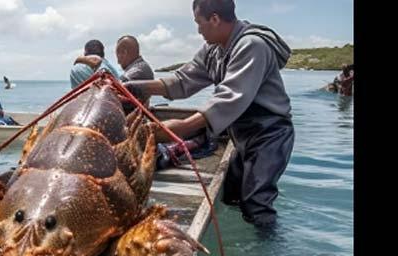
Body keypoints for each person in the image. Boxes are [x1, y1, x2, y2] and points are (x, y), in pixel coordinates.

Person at [123, 0, 294, 229]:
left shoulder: (252, 46)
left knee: (256, 204)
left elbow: (228, 99)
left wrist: (181, 128)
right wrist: (134, 87)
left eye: (198, 22)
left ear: (214, 19)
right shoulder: (213, 50)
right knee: (231, 196)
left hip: (269, 135)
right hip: (240, 134)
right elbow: (182, 80)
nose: (198, 30)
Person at [77, 35, 154, 112]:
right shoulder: (142, 67)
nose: (118, 62)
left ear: (124, 53)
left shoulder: (136, 71)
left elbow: (113, 89)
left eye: (118, 55)